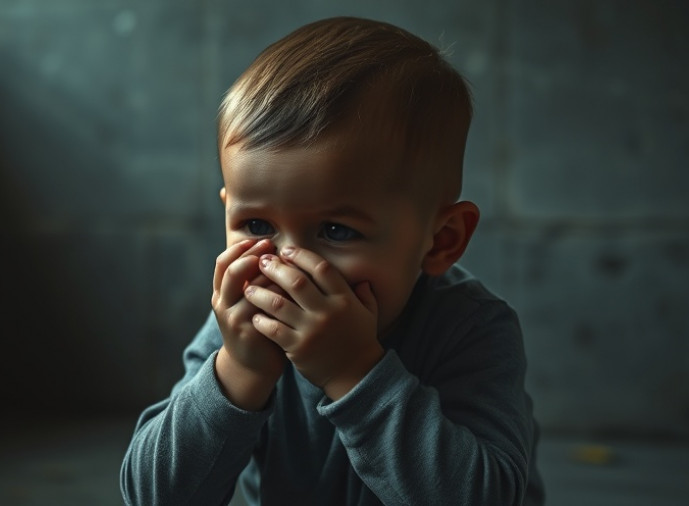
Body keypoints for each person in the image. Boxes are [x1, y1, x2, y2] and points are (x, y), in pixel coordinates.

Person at [121, 16, 544, 506]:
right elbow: (152, 497)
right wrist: (238, 373)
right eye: (256, 225)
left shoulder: (470, 328)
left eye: (337, 231)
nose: (289, 267)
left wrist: (354, 372)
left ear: (440, 241)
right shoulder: (243, 327)